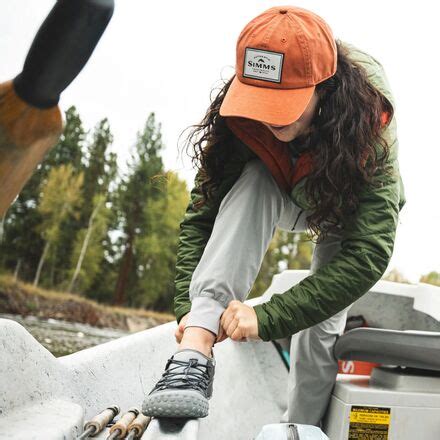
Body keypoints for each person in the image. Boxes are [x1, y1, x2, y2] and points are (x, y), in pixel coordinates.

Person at [142, 5, 405, 426]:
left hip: (342, 205)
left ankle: (298, 427)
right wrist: (188, 308)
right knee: (253, 180)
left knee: (318, 333)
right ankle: (193, 354)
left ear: (324, 89)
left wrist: (267, 317)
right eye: (261, 100)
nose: (267, 117)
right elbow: (203, 215)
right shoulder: (240, 116)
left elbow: (368, 252)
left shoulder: (369, 120)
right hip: (277, 189)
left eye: (284, 104)